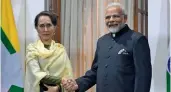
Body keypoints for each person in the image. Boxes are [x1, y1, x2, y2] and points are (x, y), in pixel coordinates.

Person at [62, 2, 152, 92]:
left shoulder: (137, 39)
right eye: (107, 17)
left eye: (115, 16)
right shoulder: (102, 41)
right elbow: (95, 72)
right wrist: (77, 84)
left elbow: (143, 76)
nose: (111, 20)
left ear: (125, 18)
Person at [24, 11, 73, 92]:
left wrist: (58, 88)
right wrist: (62, 80)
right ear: (36, 28)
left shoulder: (61, 49)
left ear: (54, 27)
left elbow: (68, 76)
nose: (45, 29)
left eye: (49, 25)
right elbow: (36, 74)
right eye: (42, 26)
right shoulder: (31, 49)